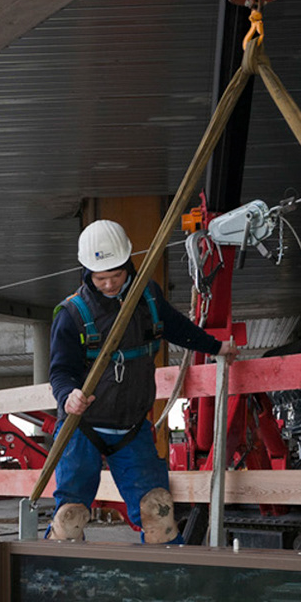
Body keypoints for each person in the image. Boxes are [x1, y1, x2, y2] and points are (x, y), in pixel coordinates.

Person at [48, 219, 230, 542]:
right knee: (70, 518)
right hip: (82, 427)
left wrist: (216, 347)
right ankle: (58, 582)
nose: (109, 284)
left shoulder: (147, 300)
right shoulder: (71, 314)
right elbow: (60, 371)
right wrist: (67, 396)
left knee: (158, 511)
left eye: (116, 275)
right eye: (101, 278)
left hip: (132, 428)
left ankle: (166, 581)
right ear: (87, 272)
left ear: (128, 264)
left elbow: (178, 327)